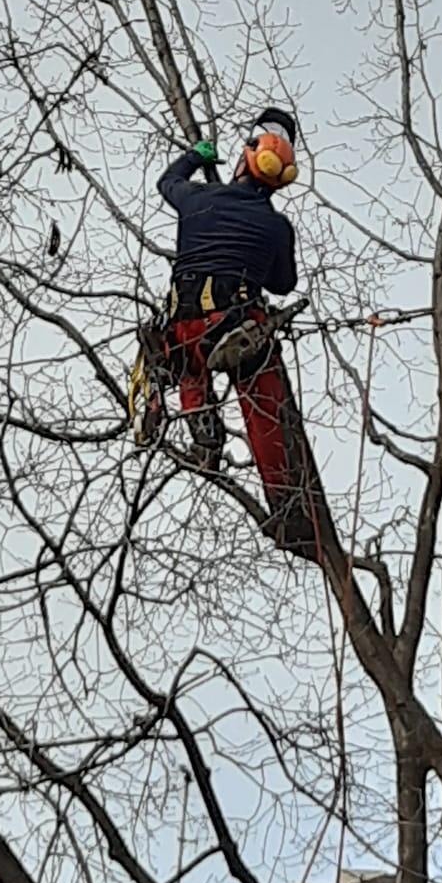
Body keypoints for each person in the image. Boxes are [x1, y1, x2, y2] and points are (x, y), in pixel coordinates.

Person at [153, 108, 318, 557]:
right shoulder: (277, 227)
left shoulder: (198, 198)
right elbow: (284, 283)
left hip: (184, 323)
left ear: (246, 159)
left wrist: (194, 156)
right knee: (264, 404)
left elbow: (166, 183)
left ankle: (200, 425)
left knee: (188, 366)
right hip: (235, 324)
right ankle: (286, 503)